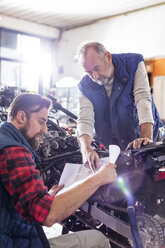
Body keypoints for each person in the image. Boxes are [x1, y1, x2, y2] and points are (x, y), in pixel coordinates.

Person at [0, 93, 117, 248]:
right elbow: (49, 216)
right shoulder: (14, 152)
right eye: (41, 121)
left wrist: (44, 198)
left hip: (13, 236)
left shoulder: (4, 140)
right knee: (98, 239)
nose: (44, 130)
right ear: (21, 116)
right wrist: (99, 178)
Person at [77, 41, 163, 169]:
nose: (94, 76)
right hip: (110, 144)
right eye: (88, 72)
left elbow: (142, 99)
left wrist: (146, 140)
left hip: (138, 136)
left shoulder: (133, 64)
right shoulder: (84, 85)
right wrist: (86, 149)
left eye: (96, 68)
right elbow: (84, 119)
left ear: (108, 57)